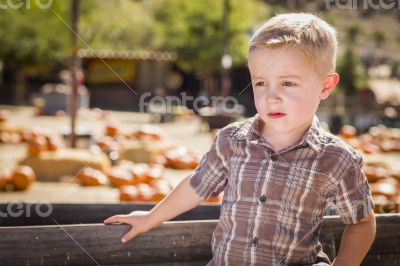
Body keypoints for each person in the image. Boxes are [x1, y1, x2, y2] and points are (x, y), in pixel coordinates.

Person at [104, 13, 376, 265]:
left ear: (326, 86)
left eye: (288, 83)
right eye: (261, 83)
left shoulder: (336, 160)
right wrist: (151, 217)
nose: (272, 96)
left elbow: (361, 222)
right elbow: (197, 185)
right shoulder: (232, 140)